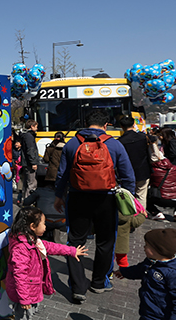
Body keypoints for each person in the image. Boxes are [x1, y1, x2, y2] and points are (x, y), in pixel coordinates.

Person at [53, 109, 136, 304]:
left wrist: (58, 196)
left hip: (77, 197)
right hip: (106, 199)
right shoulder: (114, 144)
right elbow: (128, 175)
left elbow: (62, 174)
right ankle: (99, 282)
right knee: (106, 241)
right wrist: (129, 197)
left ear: (86, 123)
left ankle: (78, 287)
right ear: (105, 125)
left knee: (75, 241)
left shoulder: (72, 143)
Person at [5, 206, 88, 319]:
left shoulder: (33, 241)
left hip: (31, 291)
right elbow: (20, 275)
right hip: (24, 295)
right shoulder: (21, 248)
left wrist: (72, 251)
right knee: (23, 317)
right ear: (33, 226)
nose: (46, 226)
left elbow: (52, 247)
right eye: (43, 223)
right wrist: (24, 299)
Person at [114, 228, 176, 320]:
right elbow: (140, 269)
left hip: (161, 316)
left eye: (147, 245)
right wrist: (124, 272)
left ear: (158, 250)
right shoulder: (152, 261)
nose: (144, 247)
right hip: (148, 312)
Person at [148, 134, 176, 222]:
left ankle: (156, 213)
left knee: (146, 198)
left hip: (161, 199)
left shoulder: (153, 169)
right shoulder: (175, 168)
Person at [118, 116, 151, 207]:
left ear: (121, 126)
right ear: (134, 124)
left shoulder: (120, 142)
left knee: (128, 195)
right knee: (141, 195)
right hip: (143, 171)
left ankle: (130, 214)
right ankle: (140, 215)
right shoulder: (143, 137)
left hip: (126, 173)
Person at [20, 120, 40, 202]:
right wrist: (33, 162)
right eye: (36, 126)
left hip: (25, 163)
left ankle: (24, 200)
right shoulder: (29, 136)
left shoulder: (25, 135)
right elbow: (30, 150)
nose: (37, 128)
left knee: (26, 183)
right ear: (31, 126)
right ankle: (29, 202)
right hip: (29, 163)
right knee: (32, 183)